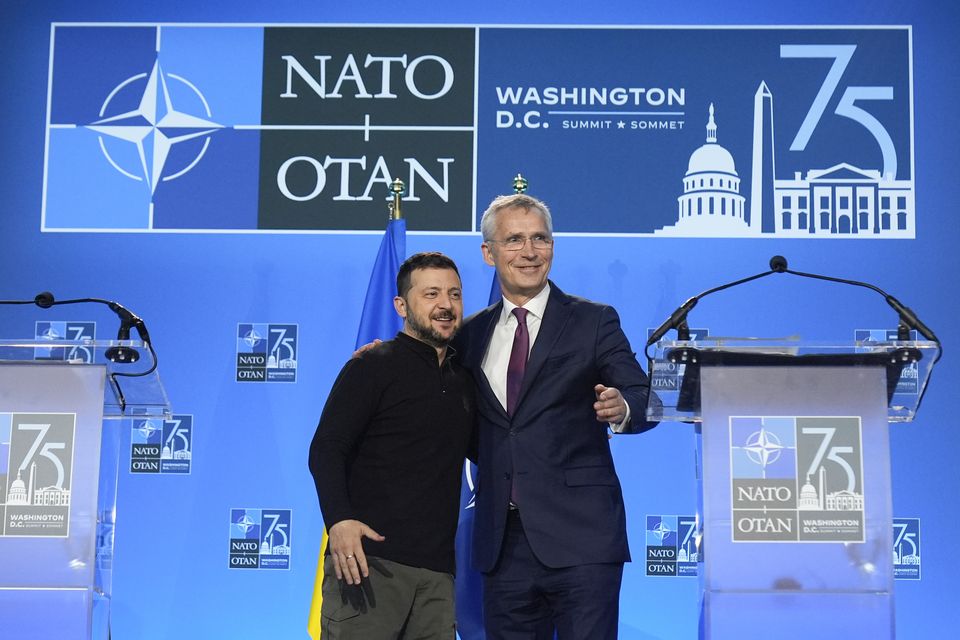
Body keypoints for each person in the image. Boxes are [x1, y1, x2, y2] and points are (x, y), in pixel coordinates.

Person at [452, 193, 658, 640]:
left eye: (539, 239)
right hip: (501, 544)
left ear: (552, 246)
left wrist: (622, 407)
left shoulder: (593, 320)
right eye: (514, 240)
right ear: (489, 253)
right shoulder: (469, 335)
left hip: (583, 537)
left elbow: (645, 395)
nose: (529, 252)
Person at [309, 252, 476, 639]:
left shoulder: (465, 382)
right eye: (431, 294)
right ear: (401, 305)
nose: (445, 305)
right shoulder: (372, 365)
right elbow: (327, 448)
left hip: (437, 576)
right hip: (368, 563)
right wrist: (339, 520)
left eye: (454, 294)